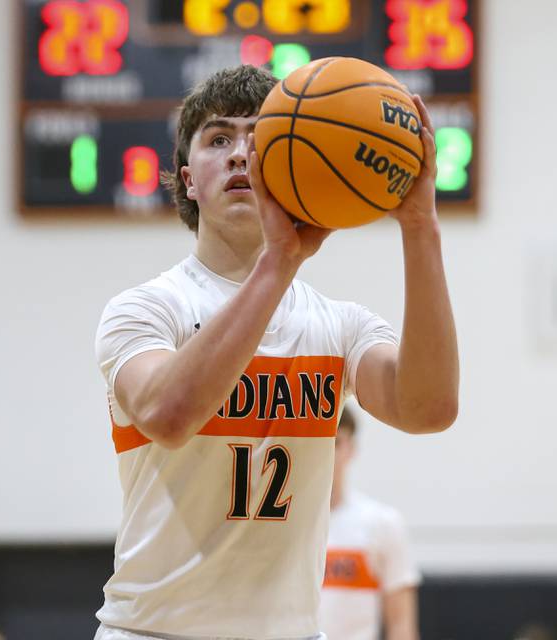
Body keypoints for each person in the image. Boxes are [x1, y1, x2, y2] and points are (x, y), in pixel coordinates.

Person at [94, 63, 459, 639]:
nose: (240, 154)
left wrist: (420, 227)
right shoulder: (144, 311)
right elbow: (168, 415)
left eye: (259, 138)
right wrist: (280, 262)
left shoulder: (338, 326)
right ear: (188, 179)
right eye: (219, 139)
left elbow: (428, 409)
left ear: (297, 160)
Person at [319, 407, 421, 640]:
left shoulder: (382, 523)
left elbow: (401, 624)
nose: (327, 453)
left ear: (351, 449)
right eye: (320, 442)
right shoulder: (281, 525)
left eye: (335, 442)